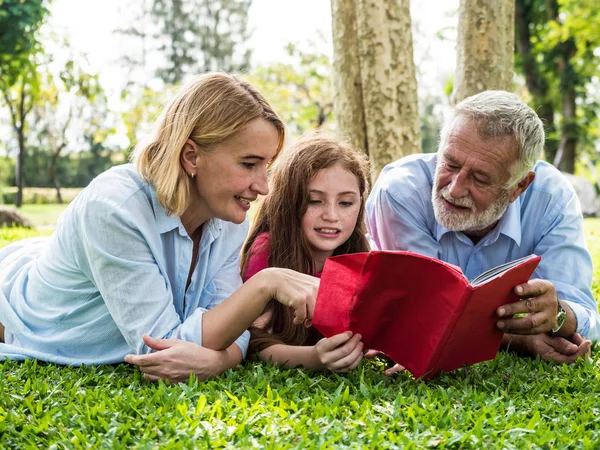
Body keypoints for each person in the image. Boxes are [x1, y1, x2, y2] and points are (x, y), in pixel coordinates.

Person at [0, 73, 318, 379]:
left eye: (267, 167)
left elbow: (233, 328)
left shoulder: (229, 218)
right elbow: (163, 345)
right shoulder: (114, 208)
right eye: (249, 164)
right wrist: (265, 284)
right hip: (19, 316)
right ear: (191, 155)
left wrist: (219, 361)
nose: (263, 187)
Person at [366, 90, 599, 367]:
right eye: (449, 163)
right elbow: (422, 313)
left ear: (519, 186)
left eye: (480, 179)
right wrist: (519, 339)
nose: (454, 189)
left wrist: (558, 314)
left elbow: (585, 316)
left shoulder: (552, 199)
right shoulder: (401, 192)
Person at [126, 134, 371, 379]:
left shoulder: (362, 256)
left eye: (346, 203)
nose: (331, 215)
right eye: (314, 201)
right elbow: (255, 344)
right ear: (289, 203)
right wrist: (313, 358)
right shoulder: (269, 253)